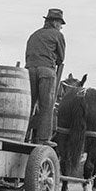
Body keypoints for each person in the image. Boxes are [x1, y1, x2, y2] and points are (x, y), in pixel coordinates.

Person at [24, 8, 66, 143]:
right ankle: (43, 138)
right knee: (47, 105)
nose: (61, 27)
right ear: (55, 22)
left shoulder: (34, 34)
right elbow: (61, 58)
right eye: (60, 24)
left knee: (29, 105)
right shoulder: (57, 35)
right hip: (46, 70)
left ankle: (23, 134)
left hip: (30, 70)